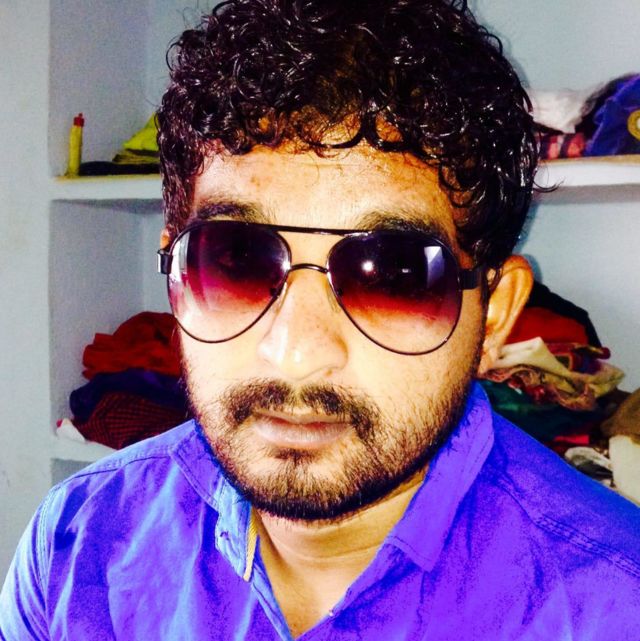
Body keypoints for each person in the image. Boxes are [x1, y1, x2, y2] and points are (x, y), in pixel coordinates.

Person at [2, 1, 639, 639]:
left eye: (394, 278)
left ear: (494, 316)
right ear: (176, 273)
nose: (297, 352)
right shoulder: (77, 547)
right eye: (235, 260)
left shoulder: (614, 605)